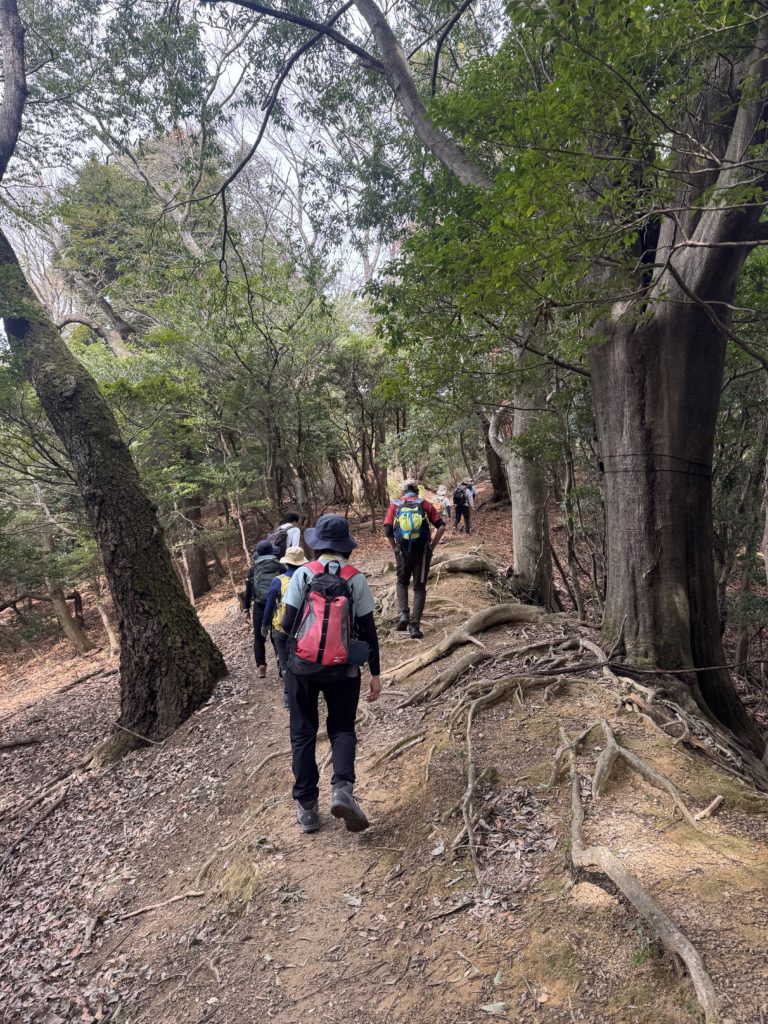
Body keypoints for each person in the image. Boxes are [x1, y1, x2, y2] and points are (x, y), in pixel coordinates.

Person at [281, 514, 381, 835]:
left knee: (302, 733)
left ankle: (307, 809)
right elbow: (368, 632)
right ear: (345, 547)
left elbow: (286, 626)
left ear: (318, 545)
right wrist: (375, 675)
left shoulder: (303, 575)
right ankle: (342, 789)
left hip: (303, 668)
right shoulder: (356, 579)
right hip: (343, 670)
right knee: (341, 729)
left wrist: (287, 664)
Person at [383, 480, 446, 639]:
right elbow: (441, 526)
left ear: (403, 492)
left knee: (402, 582)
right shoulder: (424, 504)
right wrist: (432, 546)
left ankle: (403, 614)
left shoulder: (395, 505)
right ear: (417, 491)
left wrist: (395, 548)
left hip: (402, 551)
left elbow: (388, 530)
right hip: (422, 551)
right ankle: (415, 627)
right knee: (419, 588)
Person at [261, 546, 307, 708]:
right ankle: (303, 691)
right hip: (303, 628)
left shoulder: (278, 581)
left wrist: (265, 625)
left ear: (286, 563)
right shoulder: (308, 578)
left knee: (285, 661)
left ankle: (289, 695)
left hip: (281, 628)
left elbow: (268, 606)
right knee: (301, 659)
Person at [243, 540, 282, 678]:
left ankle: (261, 666)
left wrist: (246, 608)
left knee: (259, 638)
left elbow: (249, 590)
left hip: (259, 606)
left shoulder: (253, 569)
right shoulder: (279, 565)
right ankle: (280, 665)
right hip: (276, 605)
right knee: (276, 634)